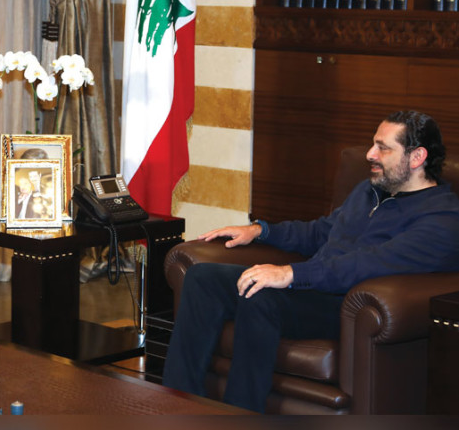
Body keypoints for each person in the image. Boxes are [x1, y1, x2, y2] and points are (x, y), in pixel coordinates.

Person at [162, 110, 459, 413]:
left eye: (383, 148)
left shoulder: (441, 218)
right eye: (373, 144)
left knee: (260, 295)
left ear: (417, 157)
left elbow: (368, 263)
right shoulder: (369, 191)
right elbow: (321, 231)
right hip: (312, 286)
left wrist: (291, 273)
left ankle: (240, 416)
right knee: (202, 278)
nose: (370, 154)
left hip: (345, 305)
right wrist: (260, 231)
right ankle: (177, 404)